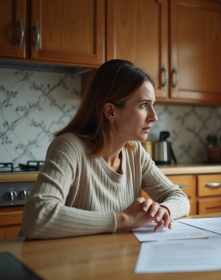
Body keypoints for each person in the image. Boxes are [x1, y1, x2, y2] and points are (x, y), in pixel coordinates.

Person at [21, 59, 190, 239]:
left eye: (152, 105)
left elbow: (178, 197)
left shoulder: (135, 152)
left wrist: (163, 209)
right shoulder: (69, 146)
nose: (154, 117)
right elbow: (37, 217)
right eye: (143, 105)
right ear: (110, 112)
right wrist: (125, 218)